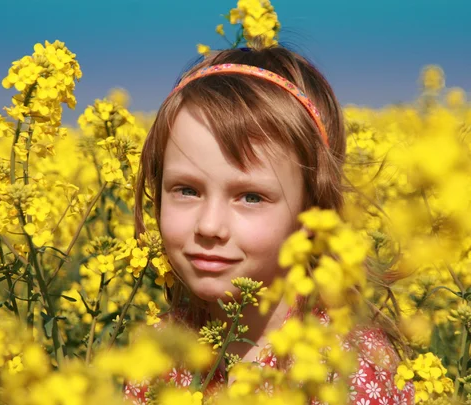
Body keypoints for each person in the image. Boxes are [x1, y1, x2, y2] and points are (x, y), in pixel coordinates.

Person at [127, 42, 415, 404]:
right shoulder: (158, 348)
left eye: (250, 197)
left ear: (313, 213)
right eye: (187, 190)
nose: (209, 226)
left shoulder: (348, 368)